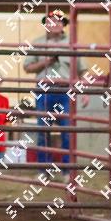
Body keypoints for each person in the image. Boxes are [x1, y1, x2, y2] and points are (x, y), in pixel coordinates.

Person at [23, 10, 89, 167]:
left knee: (67, 131)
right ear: (46, 25)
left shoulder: (72, 44)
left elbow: (83, 71)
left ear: (63, 25)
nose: (55, 24)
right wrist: (46, 62)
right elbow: (27, 67)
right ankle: (44, 169)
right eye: (51, 21)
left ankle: (67, 169)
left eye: (59, 21)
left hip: (65, 91)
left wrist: (85, 92)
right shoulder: (37, 43)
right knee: (43, 131)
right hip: (44, 90)